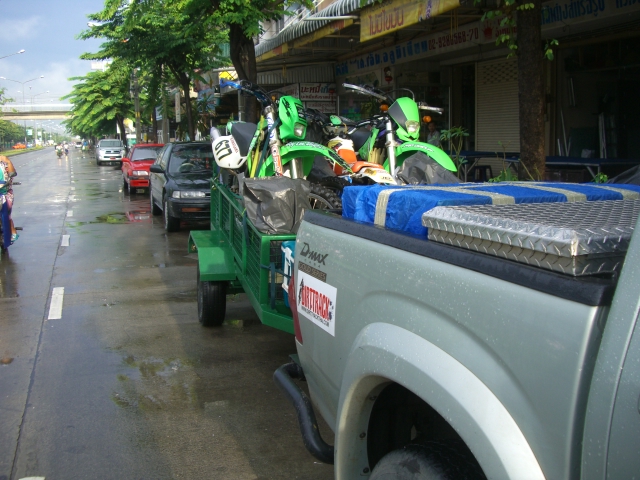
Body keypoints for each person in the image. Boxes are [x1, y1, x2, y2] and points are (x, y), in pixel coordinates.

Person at [0, 155, 18, 245]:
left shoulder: (3, 161)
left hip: (4, 193)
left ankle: (12, 232)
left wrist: (8, 161)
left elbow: (12, 173)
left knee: (6, 213)